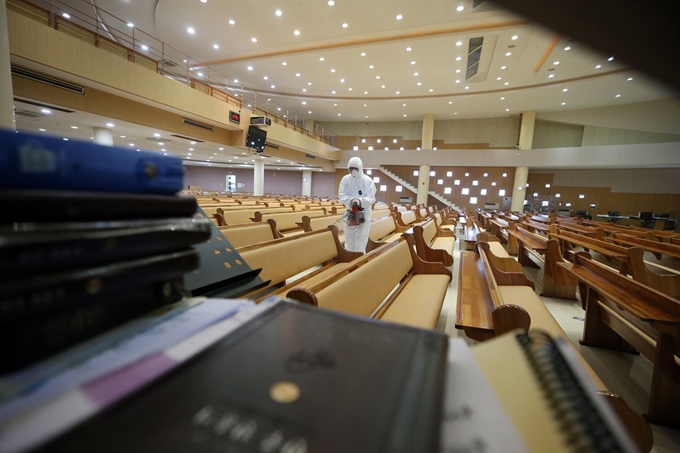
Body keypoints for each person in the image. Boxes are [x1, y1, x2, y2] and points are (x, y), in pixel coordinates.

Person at [338, 156, 376, 253]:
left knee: (361, 237)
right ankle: (349, 259)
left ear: (360, 168)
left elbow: (371, 198)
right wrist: (351, 200)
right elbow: (341, 195)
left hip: (364, 212)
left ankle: (359, 259)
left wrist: (360, 201)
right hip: (350, 211)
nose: (353, 171)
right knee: (349, 236)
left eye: (356, 168)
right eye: (351, 168)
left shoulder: (367, 181)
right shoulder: (345, 179)